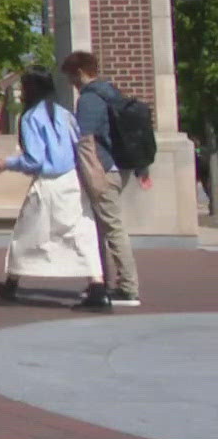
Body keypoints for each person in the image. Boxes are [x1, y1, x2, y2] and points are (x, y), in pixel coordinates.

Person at [0, 68, 101, 304]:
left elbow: (34, 159)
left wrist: (6, 163)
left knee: (27, 232)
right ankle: (97, 285)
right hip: (72, 179)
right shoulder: (65, 114)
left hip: (48, 183)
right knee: (80, 232)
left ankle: (12, 282)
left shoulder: (30, 118)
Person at [64, 51, 141, 309]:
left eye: (72, 77)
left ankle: (127, 287)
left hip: (102, 169)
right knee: (106, 228)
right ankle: (105, 283)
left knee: (112, 228)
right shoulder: (111, 93)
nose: (72, 84)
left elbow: (84, 140)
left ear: (80, 73)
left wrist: (87, 174)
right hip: (117, 167)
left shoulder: (89, 99)